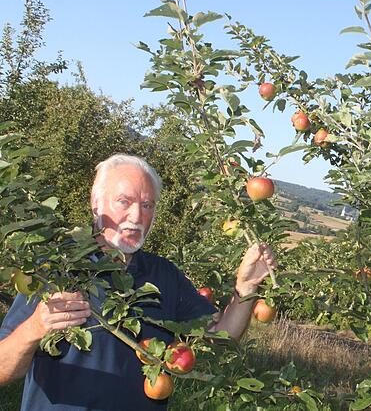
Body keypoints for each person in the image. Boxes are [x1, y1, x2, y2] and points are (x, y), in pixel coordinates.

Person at [0, 154, 278, 410]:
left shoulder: (164, 275)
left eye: (147, 205)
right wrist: (35, 327)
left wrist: (246, 288)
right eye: (124, 201)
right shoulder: (55, 270)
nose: (136, 216)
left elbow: (223, 337)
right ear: (96, 203)